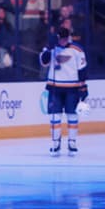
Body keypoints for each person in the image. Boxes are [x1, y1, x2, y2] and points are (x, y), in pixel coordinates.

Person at [40, 26, 88, 156]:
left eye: (64, 39)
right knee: (55, 116)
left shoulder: (77, 50)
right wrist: (49, 50)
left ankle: (72, 142)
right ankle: (55, 143)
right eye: (60, 39)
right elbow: (43, 62)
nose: (62, 41)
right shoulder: (51, 48)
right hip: (54, 86)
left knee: (72, 115)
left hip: (72, 87)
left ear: (68, 38)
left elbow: (82, 70)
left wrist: (83, 87)